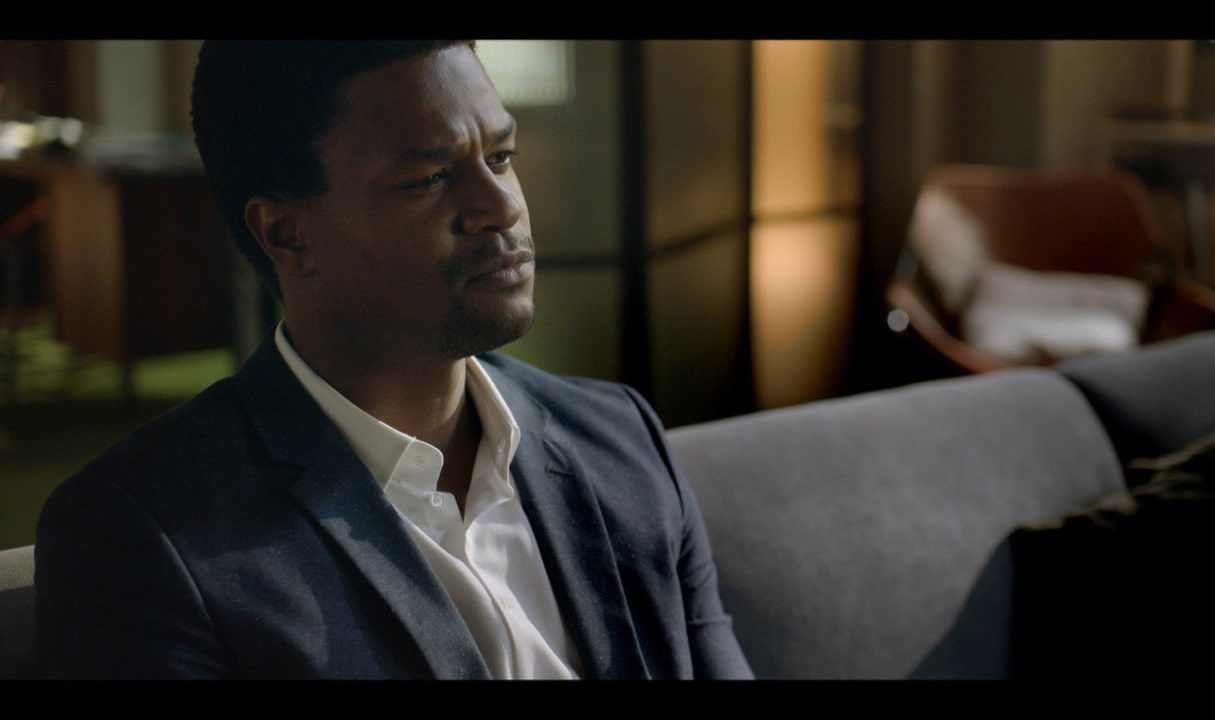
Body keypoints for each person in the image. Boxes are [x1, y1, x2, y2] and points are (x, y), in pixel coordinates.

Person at [34, 40, 752, 680]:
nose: (500, 206)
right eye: (429, 179)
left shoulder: (617, 437)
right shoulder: (144, 534)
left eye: (501, 157)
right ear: (287, 234)